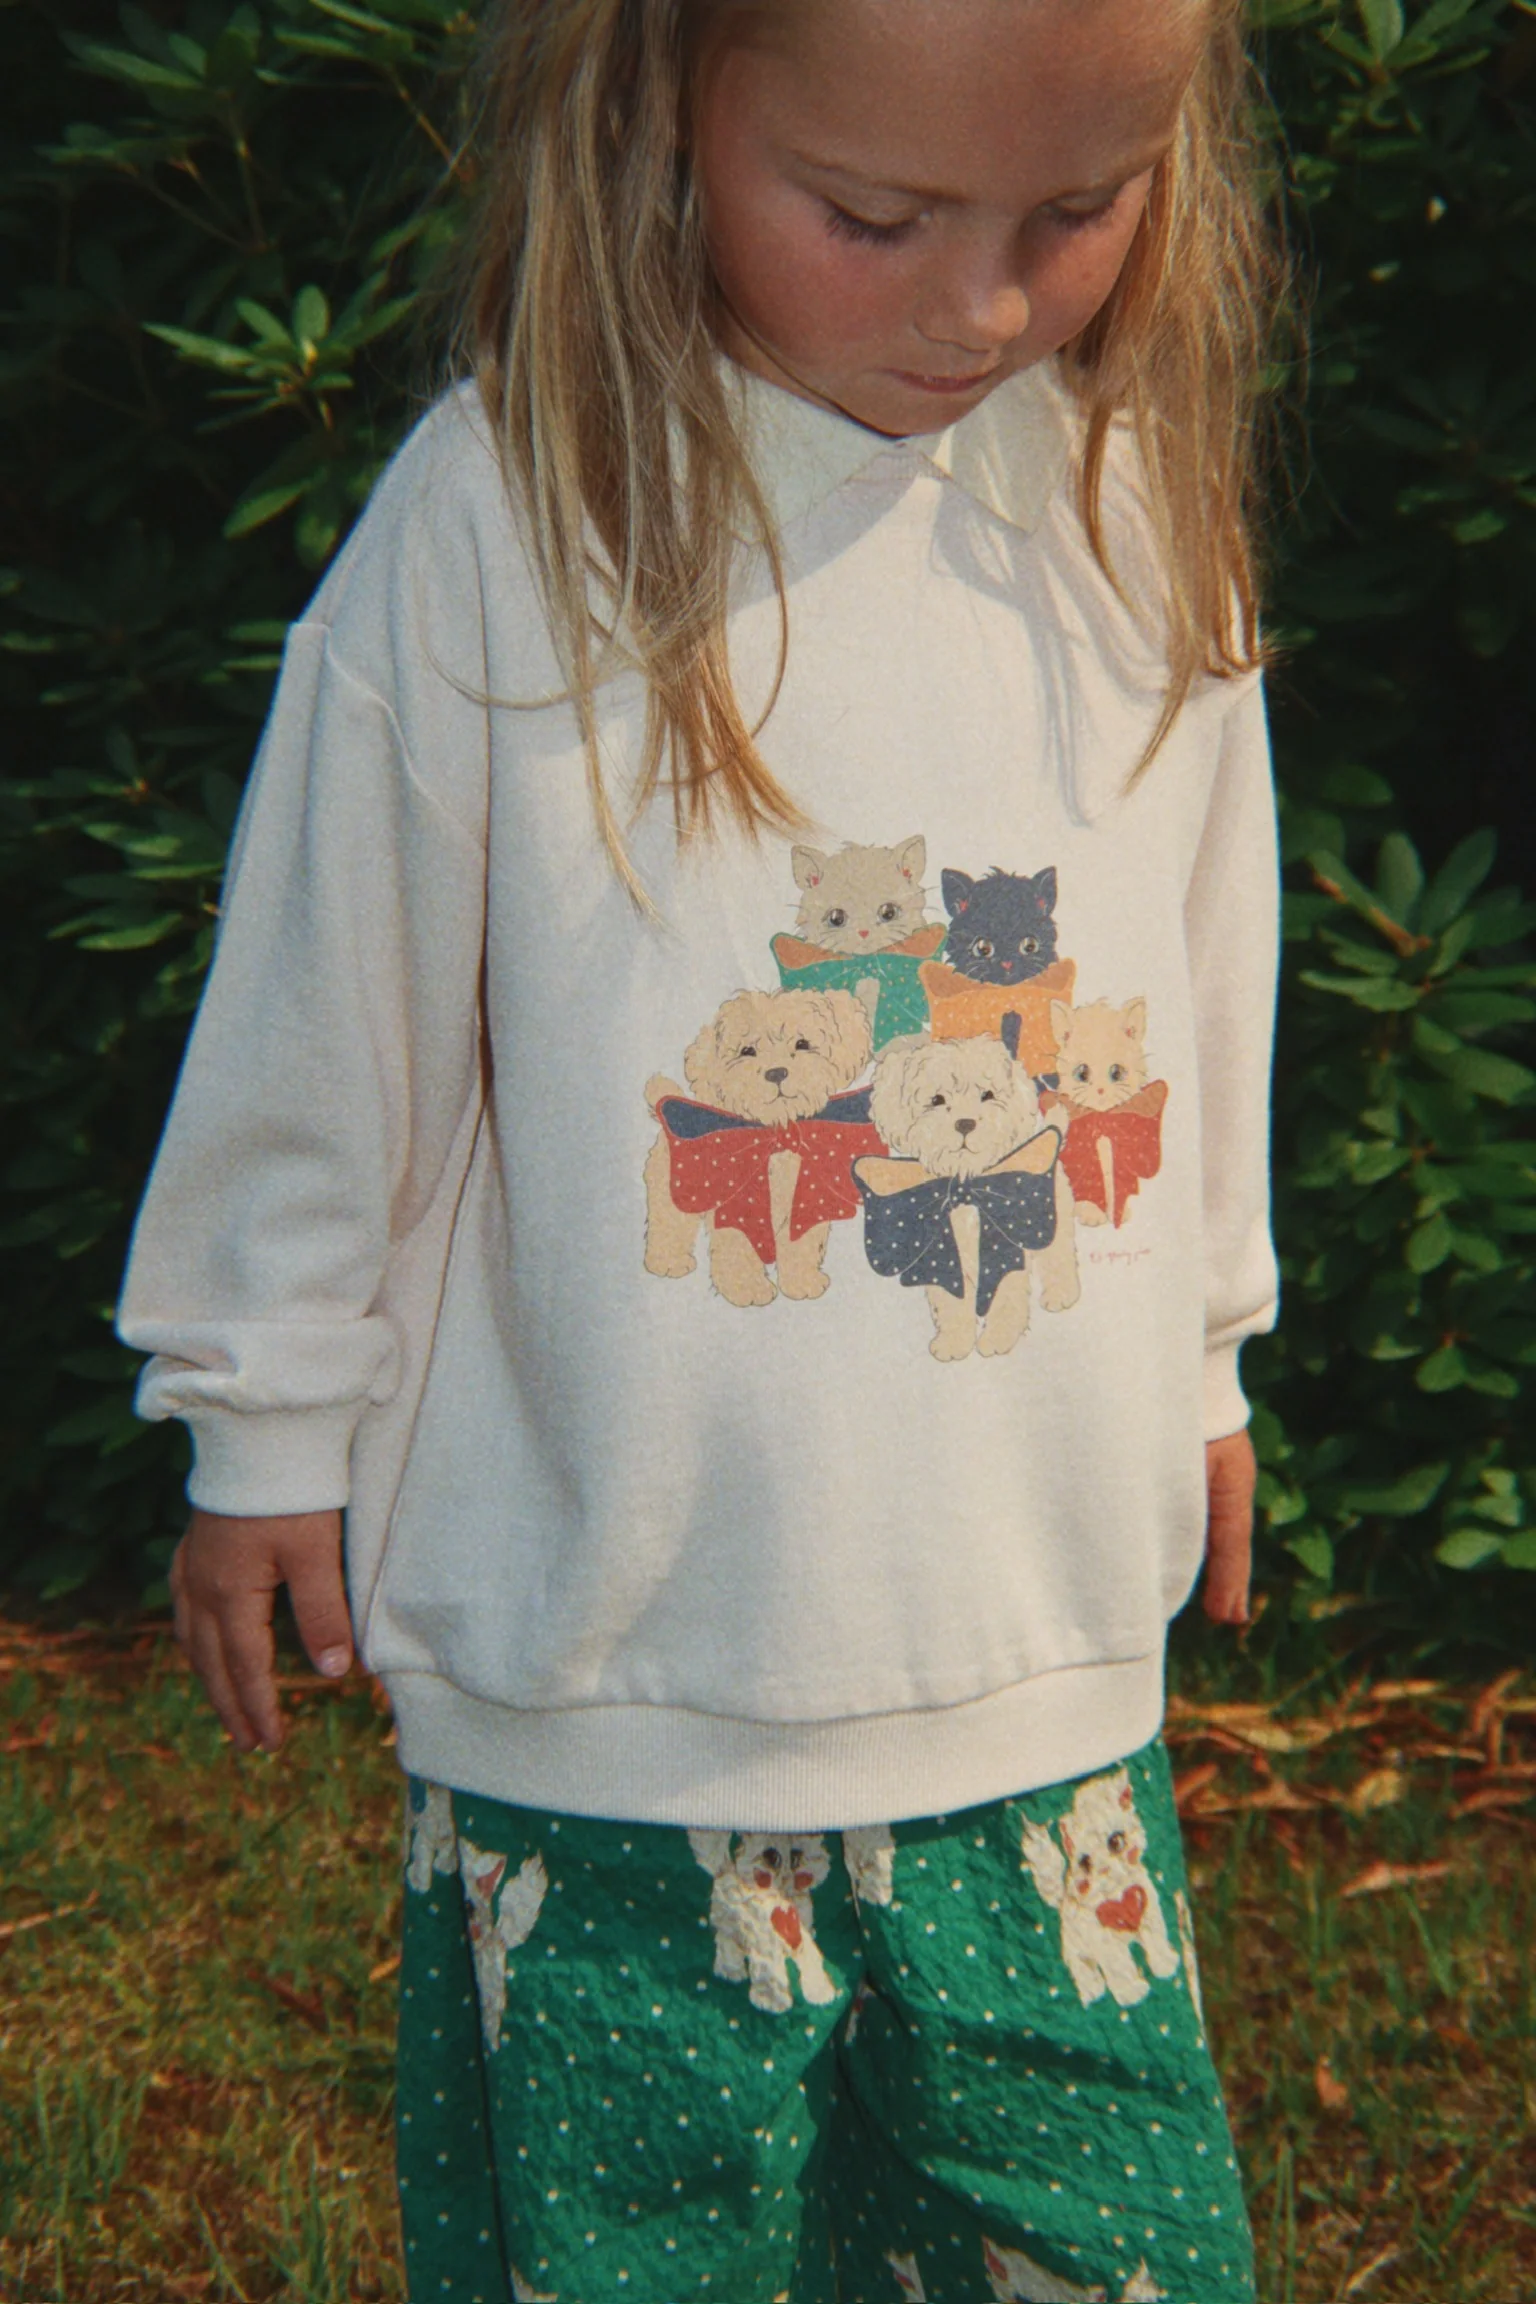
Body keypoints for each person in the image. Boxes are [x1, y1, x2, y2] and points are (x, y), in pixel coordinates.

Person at [118, 0, 1283, 2294]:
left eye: (1080, 208)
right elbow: (329, 995)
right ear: (660, 100)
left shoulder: (1130, 508)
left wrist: (1206, 1351)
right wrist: (261, 1411)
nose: (983, 306)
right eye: (875, 215)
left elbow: (1202, 965)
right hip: (610, 1710)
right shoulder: (510, 515)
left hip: (1033, 1696)